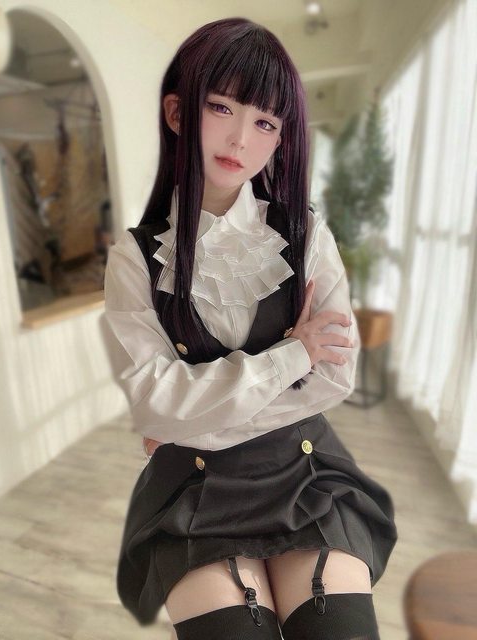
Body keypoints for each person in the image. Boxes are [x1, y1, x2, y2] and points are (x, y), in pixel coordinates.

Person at [103, 16, 398, 640]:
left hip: (306, 476)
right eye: (222, 107)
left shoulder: (305, 234)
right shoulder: (134, 259)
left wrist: (192, 418)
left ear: (281, 138)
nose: (241, 137)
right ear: (178, 113)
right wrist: (290, 357)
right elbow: (154, 402)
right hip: (193, 490)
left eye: (265, 122)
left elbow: (335, 378)